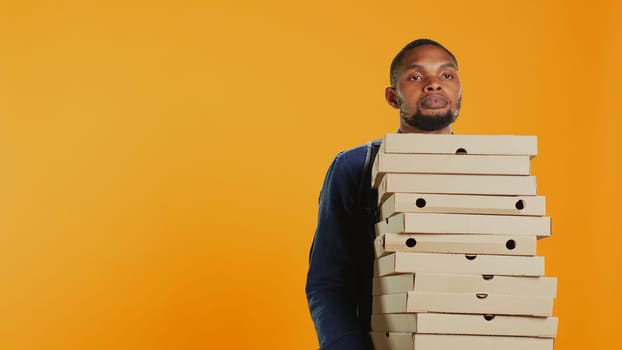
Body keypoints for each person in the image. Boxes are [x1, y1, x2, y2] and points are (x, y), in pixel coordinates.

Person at [305, 38, 462, 350]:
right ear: (393, 97)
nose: (433, 84)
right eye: (416, 77)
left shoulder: (493, 170)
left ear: (460, 93)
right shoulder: (355, 167)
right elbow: (329, 281)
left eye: (446, 75)